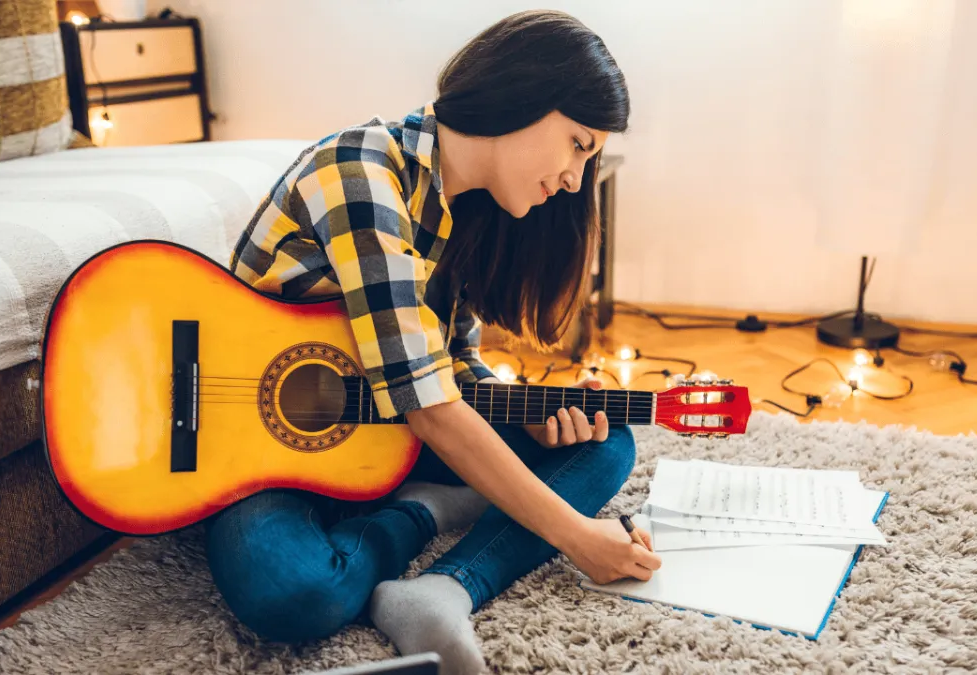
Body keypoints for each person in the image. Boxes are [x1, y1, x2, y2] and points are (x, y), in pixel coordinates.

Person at [206, 10, 661, 674]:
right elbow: (431, 406)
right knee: (294, 591)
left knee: (606, 438)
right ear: (526, 94)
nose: (572, 178)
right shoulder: (360, 170)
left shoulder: (470, 209)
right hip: (263, 449)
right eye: (578, 143)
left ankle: (442, 587)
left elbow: (453, 369)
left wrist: (527, 414)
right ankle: (424, 509)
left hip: (376, 439)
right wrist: (578, 538)